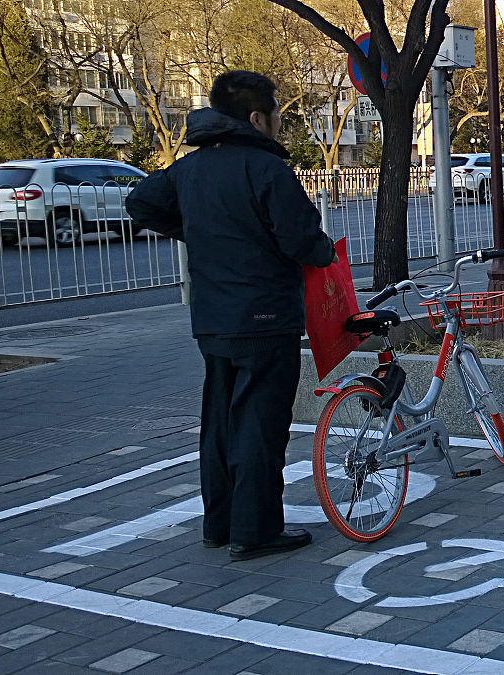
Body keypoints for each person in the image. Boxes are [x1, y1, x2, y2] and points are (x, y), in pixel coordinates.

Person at [126, 70, 336, 561]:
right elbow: (303, 241)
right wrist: (324, 251)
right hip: (265, 316)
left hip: (214, 319)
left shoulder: (190, 168)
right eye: (279, 115)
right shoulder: (267, 170)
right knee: (260, 425)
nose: (281, 124)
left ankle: (219, 525)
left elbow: (141, 203)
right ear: (257, 117)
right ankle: (256, 529)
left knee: (220, 423)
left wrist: (199, 232)